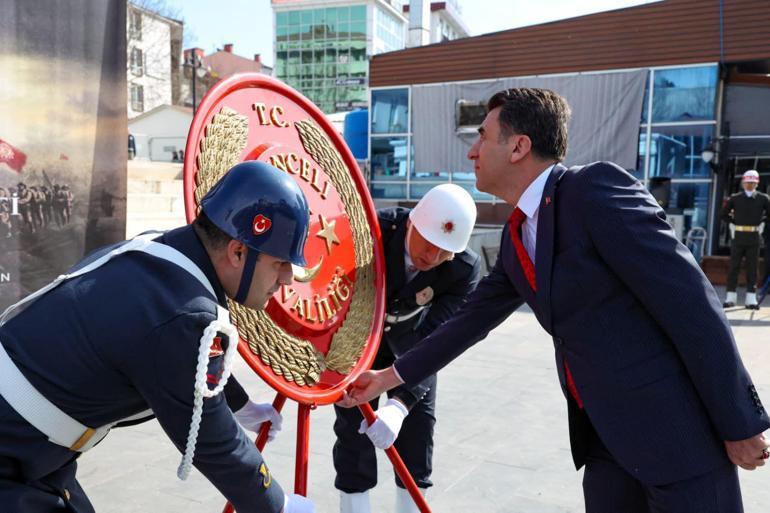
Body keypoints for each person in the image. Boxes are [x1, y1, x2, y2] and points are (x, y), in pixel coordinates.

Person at [341, 88, 770, 513]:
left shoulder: (595, 191)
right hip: (604, 445)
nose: (472, 151)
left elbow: (690, 301)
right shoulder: (516, 236)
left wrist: (739, 421)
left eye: (484, 136)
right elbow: (468, 321)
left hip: (677, 439)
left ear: (518, 147)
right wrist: (387, 378)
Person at [0, 161, 315, 513]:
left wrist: (241, 405)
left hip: (28, 450)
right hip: (12, 455)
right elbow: (217, 445)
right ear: (238, 252)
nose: (288, 279)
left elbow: (181, 360)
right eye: (281, 263)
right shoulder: (184, 314)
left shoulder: (163, 256)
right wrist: (278, 505)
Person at [334, 184, 481, 513]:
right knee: (353, 434)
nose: (432, 257)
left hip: (412, 348)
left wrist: (401, 403)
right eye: (427, 243)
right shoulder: (372, 232)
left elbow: (439, 338)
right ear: (412, 223)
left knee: (417, 435)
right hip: (357, 345)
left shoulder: (462, 270)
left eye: (444, 252)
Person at [721, 169, 770, 309]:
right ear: (743, 182)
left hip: (754, 237)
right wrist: (732, 223)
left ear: (757, 184)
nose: (750, 185)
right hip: (738, 236)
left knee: (752, 268)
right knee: (734, 267)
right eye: (748, 182)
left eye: (753, 183)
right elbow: (723, 214)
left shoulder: (763, 198)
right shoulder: (735, 198)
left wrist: (763, 222)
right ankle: (730, 297)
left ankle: (751, 298)